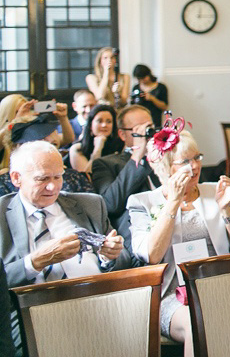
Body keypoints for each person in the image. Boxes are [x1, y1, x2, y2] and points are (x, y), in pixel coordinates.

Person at [128, 129, 230, 355]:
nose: (194, 166)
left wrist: (226, 210)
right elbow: (151, 255)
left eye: (197, 158)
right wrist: (173, 203)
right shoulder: (142, 202)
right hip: (173, 296)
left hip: (220, 287)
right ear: (165, 167)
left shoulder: (214, 191)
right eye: (185, 161)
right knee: (199, 321)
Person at [1, 141, 128, 289]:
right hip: (35, 306)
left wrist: (109, 256)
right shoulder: (2, 214)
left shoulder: (90, 204)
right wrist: (35, 261)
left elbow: (124, 260)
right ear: (16, 178)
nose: (53, 187)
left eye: (58, 177)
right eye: (42, 178)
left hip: (97, 297)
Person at [90, 105, 159, 252]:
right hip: (138, 235)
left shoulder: (165, 158)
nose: (147, 133)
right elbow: (110, 204)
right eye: (138, 129)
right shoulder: (106, 163)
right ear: (122, 135)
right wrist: (138, 154)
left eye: (149, 127)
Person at [1, 115, 94, 195]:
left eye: (54, 145)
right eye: (42, 147)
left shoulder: (74, 178)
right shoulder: (4, 183)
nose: (51, 152)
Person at [69, 104, 123, 173]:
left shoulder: (120, 145)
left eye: (109, 121)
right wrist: (98, 149)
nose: (104, 125)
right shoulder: (77, 149)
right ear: (91, 125)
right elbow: (87, 178)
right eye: (99, 121)